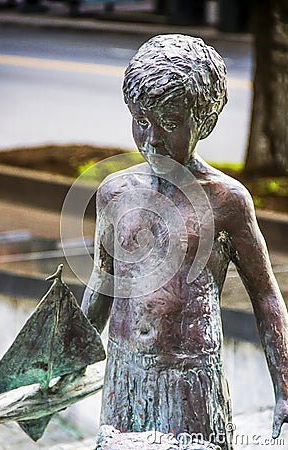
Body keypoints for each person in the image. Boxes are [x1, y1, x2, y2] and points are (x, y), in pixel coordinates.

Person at [82, 34, 288, 450]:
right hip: (124, 378)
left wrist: (285, 385)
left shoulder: (227, 201)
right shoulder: (114, 192)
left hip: (192, 381)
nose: (152, 139)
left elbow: (266, 295)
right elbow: (103, 283)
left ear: (204, 122)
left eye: (171, 124)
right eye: (141, 120)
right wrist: (67, 360)